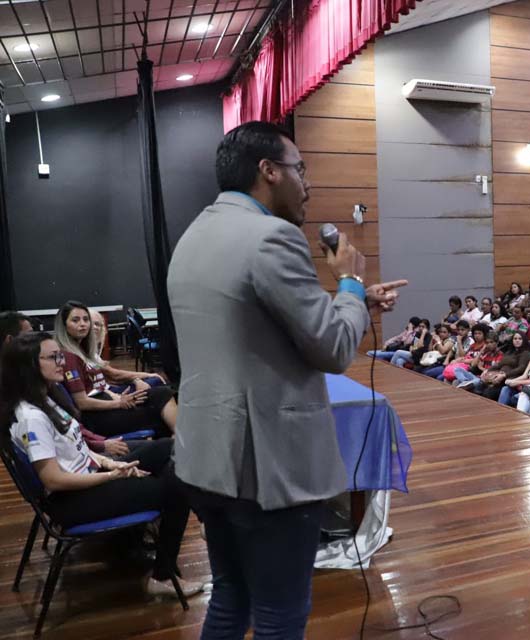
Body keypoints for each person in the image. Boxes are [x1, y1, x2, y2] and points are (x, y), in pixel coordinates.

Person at [166, 121, 406, 638]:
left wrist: (356, 303)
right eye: (300, 169)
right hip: (266, 467)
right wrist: (348, 281)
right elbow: (333, 348)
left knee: (231, 598)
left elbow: (259, 324)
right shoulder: (273, 238)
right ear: (268, 171)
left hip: (206, 458)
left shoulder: (196, 233)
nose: (308, 183)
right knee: (280, 614)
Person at [0, 332, 201, 597]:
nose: (61, 361)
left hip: (90, 477)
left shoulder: (47, 398)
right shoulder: (31, 417)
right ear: (29, 366)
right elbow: (53, 480)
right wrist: (113, 476)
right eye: (53, 357)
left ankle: (133, 539)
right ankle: (162, 576)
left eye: (60, 355)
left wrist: (108, 462)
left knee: (170, 449)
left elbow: (77, 450)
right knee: (176, 485)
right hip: (74, 501)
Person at [55, 301, 178, 438]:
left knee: (160, 394)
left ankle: (172, 443)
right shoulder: (69, 356)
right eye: (75, 320)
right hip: (98, 419)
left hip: (107, 405)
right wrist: (118, 403)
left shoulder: (82, 351)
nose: (83, 324)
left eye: (85, 319)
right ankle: (181, 442)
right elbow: (82, 403)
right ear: (64, 325)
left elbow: (98, 385)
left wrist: (117, 397)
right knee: (162, 397)